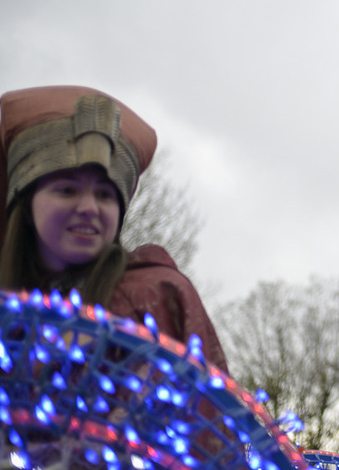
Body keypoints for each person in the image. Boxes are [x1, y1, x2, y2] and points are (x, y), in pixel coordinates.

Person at [0, 85, 227, 371]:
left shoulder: (152, 297)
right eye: (67, 190)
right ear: (26, 205)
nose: (89, 208)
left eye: (105, 195)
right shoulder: (11, 318)